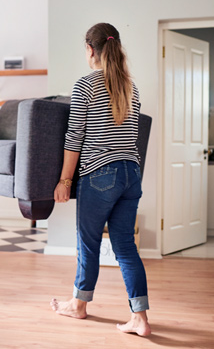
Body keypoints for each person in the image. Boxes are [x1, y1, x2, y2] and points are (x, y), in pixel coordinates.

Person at [50, 23, 151, 336]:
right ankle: (141, 319)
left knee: (88, 244)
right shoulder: (131, 87)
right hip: (131, 175)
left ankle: (78, 306)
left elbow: (74, 137)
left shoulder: (86, 85)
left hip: (100, 175)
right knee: (125, 248)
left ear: (90, 49)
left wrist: (64, 181)